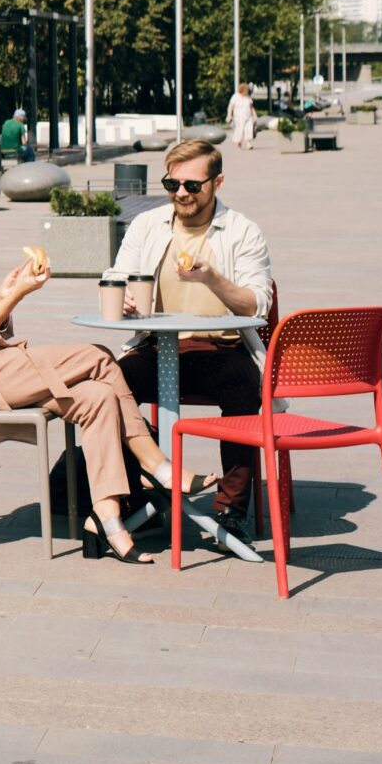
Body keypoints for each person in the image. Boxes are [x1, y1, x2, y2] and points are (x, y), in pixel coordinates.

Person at [0, 176, 178, 563]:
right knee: (98, 355)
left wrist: (7, 291)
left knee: (99, 396)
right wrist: (15, 293)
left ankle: (107, 521)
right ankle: (154, 462)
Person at [105, 139, 277, 562]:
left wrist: (212, 280)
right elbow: (117, 273)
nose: (181, 193)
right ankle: (140, 491)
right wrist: (125, 296)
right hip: (156, 347)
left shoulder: (242, 231)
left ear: (217, 182)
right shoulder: (148, 225)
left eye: (192, 185)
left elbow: (259, 304)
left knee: (241, 387)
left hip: (222, 348)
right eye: (172, 183)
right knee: (109, 384)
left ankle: (231, 511)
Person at [226, 84, 257, 151]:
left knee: (248, 129)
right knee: (239, 131)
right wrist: (229, 115)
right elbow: (230, 106)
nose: (247, 92)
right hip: (238, 117)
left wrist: (255, 116)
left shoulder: (248, 98)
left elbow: (251, 108)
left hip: (248, 116)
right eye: (246, 90)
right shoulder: (235, 97)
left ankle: (248, 143)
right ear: (242, 90)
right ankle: (239, 144)